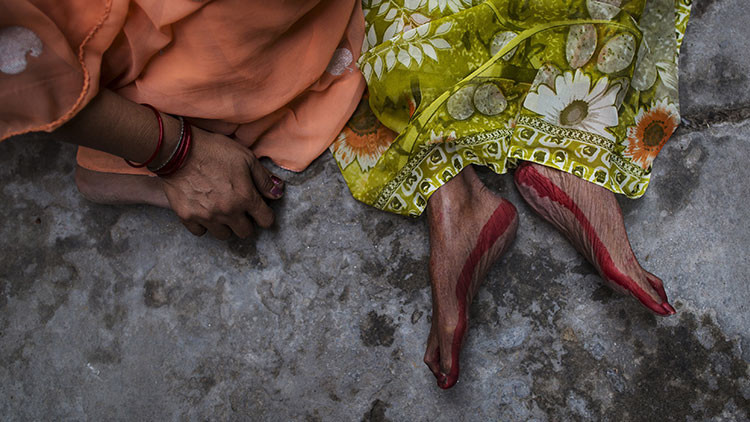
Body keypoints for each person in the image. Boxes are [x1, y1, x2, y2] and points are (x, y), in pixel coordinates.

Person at [0, 0, 690, 390]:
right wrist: (172, 153)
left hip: (200, 57)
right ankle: (565, 150)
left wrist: (166, 149)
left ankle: (455, 191)